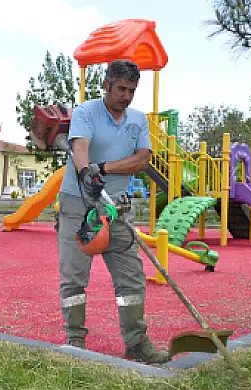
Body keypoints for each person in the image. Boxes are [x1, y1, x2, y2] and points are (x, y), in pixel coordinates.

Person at [56, 60, 171, 364]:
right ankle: (75, 339)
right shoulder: (85, 112)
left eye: (132, 90)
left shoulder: (138, 120)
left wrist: (103, 168)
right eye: (121, 89)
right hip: (78, 205)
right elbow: (80, 148)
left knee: (131, 280)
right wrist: (85, 173)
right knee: (73, 278)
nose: (126, 96)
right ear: (106, 85)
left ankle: (136, 342)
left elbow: (142, 160)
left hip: (117, 208)